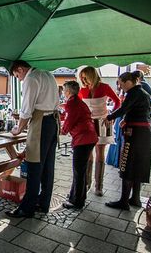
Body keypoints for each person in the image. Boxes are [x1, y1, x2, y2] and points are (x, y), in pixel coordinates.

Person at [5, 60, 59, 218]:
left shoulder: (31, 78)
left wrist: (18, 129)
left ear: (20, 69)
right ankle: (43, 204)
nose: (19, 79)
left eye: (17, 76)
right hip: (53, 122)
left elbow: (27, 109)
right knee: (48, 166)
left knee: (35, 166)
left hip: (41, 123)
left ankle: (27, 208)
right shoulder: (48, 74)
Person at [105, 72, 151, 210]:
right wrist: (127, 120)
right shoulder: (144, 93)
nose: (120, 87)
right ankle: (136, 198)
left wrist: (109, 117)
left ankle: (124, 201)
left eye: (121, 84)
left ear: (128, 82)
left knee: (127, 165)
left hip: (134, 134)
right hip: (145, 134)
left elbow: (123, 109)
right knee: (138, 166)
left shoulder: (132, 93)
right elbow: (147, 114)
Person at [78, 66, 120, 196]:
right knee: (88, 153)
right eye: (81, 77)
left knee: (100, 151)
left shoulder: (104, 87)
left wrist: (111, 116)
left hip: (102, 122)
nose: (83, 80)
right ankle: (87, 184)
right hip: (87, 123)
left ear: (92, 75)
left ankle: (99, 186)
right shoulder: (82, 89)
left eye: (85, 77)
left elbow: (117, 101)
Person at [60, 81, 98, 209]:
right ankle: (75, 196)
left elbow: (68, 122)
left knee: (78, 170)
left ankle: (77, 202)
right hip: (89, 137)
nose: (63, 93)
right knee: (80, 169)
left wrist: (62, 131)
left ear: (69, 92)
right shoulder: (78, 101)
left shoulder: (72, 104)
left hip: (83, 139)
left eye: (64, 90)